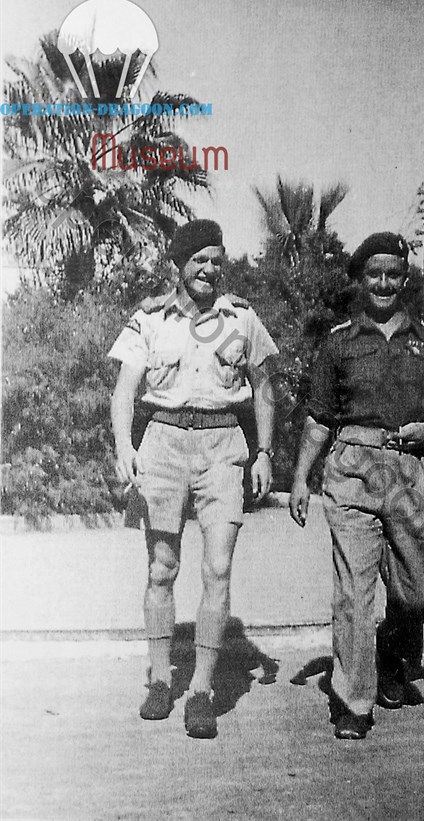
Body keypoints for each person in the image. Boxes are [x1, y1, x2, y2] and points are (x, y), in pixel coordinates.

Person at [288, 232, 424, 740]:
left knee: (418, 593)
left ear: (404, 279)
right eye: (374, 274)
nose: (384, 283)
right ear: (360, 280)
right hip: (353, 469)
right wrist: (301, 477)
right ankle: (353, 701)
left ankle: (390, 651)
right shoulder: (340, 341)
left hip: (410, 471)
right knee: (353, 594)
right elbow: (320, 417)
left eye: (393, 274)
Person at [109, 219, 278, 739]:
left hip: (223, 445)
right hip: (162, 442)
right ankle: (161, 679)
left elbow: (265, 385)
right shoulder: (149, 319)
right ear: (179, 264)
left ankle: (201, 688)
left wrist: (265, 451)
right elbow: (124, 390)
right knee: (162, 567)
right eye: (199, 259)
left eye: (216, 258)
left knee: (219, 567)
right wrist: (124, 447)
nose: (209, 268)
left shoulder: (242, 318)